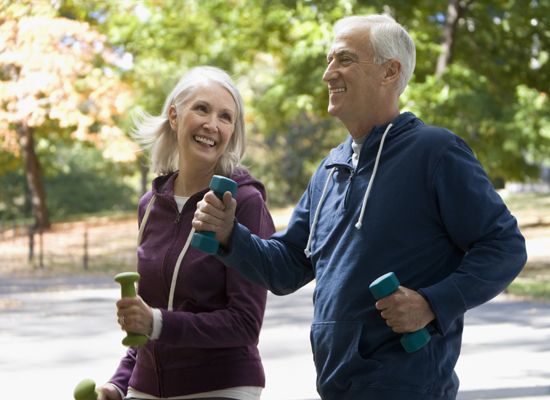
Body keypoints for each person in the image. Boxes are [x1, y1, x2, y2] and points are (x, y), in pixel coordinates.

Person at [192, 15, 527, 400]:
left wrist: (432, 304)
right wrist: (230, 236)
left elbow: (505, 246)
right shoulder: (331, 168)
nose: (328, 74)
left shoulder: (436, 152)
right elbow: (287, 268)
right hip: (336, 383)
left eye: (345, 59)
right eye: (329, 60)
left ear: (390, 72)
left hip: (408, 386)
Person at [97, 66, 275, 400]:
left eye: (225, 117)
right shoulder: (150, 205)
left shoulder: (242, 202)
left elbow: (245, 323)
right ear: (174, 116)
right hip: (148, 386)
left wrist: (156, 322)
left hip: (221, 385)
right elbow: (152, 316)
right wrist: (119, 383)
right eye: (202, 109)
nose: (212, 125)